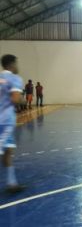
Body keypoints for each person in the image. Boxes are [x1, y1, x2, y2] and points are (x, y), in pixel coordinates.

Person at [0, 54, 26, 193]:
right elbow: (16, 99)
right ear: (11, 65)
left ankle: (12, 183)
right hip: (5, 121)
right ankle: (12, 183)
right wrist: (22, 100)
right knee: (4, 150)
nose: (17, 67)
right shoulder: (14, 78)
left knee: (8, 151)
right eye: (16, 64)